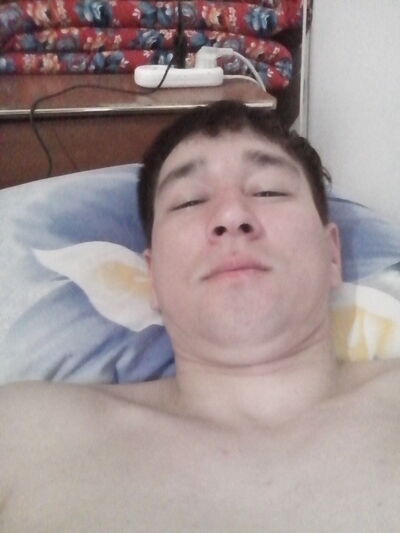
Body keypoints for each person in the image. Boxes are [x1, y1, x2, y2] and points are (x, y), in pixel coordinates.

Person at [1, 100, 399, 532]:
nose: (231, 216)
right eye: (189, 201)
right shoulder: (24, 432)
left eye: (268, 191)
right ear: (153, 275)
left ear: (332, 254)